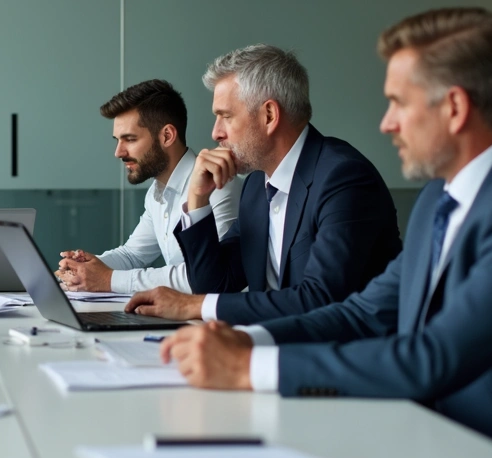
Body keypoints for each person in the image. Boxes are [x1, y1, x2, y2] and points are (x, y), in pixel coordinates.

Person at [157, 8, 492, 458]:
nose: (387, 123)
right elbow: (363, 313)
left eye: (398, 102)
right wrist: (249, 339)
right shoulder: (443, 195)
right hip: (445, 443)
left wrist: (250, 366)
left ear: (454, 108)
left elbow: (432, 357)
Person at [126, 45, 401, 324]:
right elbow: (215, 285)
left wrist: (194, 307)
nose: (216, 133)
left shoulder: (344, 178)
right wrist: (197, 199)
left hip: (335, 357)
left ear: (269, 115)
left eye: (226, 116)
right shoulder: (257, 185)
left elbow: (321, 300)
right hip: (269, 346)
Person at [54, 80, 242, 294]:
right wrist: (87, 267)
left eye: (130, 139)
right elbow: (133, 255)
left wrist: (109, 279)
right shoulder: (156, 192)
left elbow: (207, 275)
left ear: (167, 136)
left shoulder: (218, 184)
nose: (118, 152)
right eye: (117, 140)